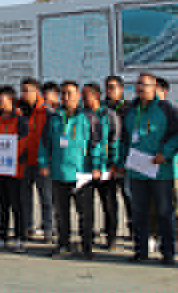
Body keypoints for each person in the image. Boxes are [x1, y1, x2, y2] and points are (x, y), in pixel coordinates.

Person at [118, 73, 178, 264]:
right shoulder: (130, 110)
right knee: (139, 212)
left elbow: (176, 135)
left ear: (154, 87)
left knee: (164, 212)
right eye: (138, 84)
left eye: (145, 85)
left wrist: (165, 154)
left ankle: (168, 252)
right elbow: (124, 140)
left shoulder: (165, 109)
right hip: (136, 170)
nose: (140, 88)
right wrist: (121, 163)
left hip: (160, 171)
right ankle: (141, 250)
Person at [40, 81, 104, 259]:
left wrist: (97, 166)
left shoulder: (89, 117)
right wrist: (43, 163)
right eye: (63, 93)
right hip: (59, 172)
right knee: (61, 213)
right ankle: (63, 244)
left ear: (78, 95)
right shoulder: (53, 118)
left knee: (85, 214)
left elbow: (97, 144)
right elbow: (45, 143)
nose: (66, 96)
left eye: (70, 93)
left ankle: (86, 246)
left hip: (82, 174)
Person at [0, 85, 29, 252]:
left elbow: (23, 142)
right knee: (2, 204)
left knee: (17, 204)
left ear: (11, 100)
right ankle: (2, 235)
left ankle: (19, 237)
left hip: (14, 168)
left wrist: (9, 156)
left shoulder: (20, 120)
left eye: (1, 99)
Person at [151, 77, 178, 257]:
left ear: (164, 92)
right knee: (153, 204)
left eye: (155, 89)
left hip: (172, 168)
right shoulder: (145, 113)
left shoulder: (176, 112)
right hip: (150, 167)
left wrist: (171, 156)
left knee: (177, 204)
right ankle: (154, 236)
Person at [83, 82, 119, 250]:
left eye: (86, 95)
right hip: (85, 168)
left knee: (109, 205)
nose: (83, 98)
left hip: (105, 167)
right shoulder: (81, 115)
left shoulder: (109, 115)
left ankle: (111, 238)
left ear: (96, 96)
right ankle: (87, 238)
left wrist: (113, 164)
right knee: (85, 206)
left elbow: (115, 140)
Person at [19, 77, 54, 242]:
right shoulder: (18, 110)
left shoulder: (47, 111)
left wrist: (48, 160)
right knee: (25, 198)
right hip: (24, 161)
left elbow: (52, 137)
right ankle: (27, 228)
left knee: (46, 198)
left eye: (28, 90)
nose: (24, 94)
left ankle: (48, 230)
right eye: (23, 90)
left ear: (36, 91)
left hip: (42, 163)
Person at [104, 76, 132, 240]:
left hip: (125, 161)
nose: (109, 90)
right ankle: (111, 234)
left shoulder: (129, 108)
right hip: (106, 162)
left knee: (129, 197)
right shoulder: (101, 108)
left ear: (121, 89)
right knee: (108, 200)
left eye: (113, 87)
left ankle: (133, 231)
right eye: (107, 87)